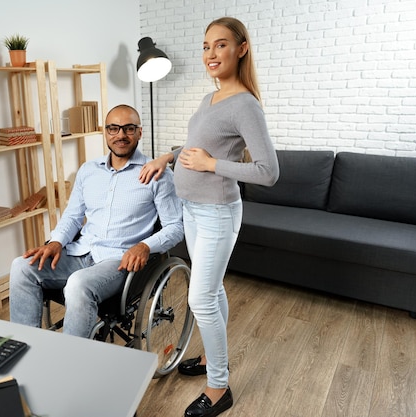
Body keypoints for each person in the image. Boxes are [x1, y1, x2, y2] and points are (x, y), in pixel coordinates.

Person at [139, 17, 279, 417]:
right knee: (213, 290)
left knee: (200, 296)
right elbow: (195, 146)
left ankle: (219, 387)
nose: (211, 54)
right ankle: (211, 361)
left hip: (218, 211)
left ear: (241, 49)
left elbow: (268, 172)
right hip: (193, 210)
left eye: (220, 45)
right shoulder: (210, 98)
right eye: (205, 46)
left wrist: (212, 164)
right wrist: (168, 156)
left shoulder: (245, 105)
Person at [9, 104, 183, 339]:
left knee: (78, 284)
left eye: (129, 128)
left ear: (139, 132)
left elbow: (175, 227)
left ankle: (72, 366)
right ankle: (23, 347)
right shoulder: (88, 171)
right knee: (21, 266)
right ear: (105, 132)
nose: (121, 135)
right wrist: (56, 242)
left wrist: (145, 246)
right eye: (114, 128)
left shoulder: (157, 175)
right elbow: (72, 216)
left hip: (118, 261)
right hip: (81, 251)